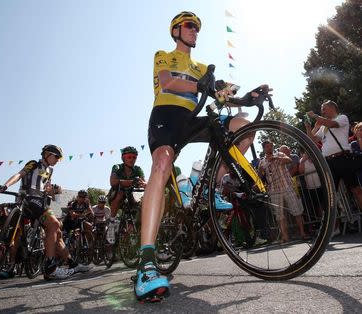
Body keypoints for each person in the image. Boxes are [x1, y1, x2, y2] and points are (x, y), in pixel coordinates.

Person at [136, 11, 264, 302]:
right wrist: (199, 85)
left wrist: (246, 97)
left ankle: (209, 188)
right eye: (189, 26)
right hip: (167, 116)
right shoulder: (164, 55)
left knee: (244, 128)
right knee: (162, 162)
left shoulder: (203, 66)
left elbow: (221, 95)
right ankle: (146, 262)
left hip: (193, 116)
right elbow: (168, 83)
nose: (195, 30)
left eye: (197, 27)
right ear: (176, 31)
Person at [0, 145, 89, 280]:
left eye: (60, 158)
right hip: (29, 200)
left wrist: (55, 191)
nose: (58, 160)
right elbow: (19, 174)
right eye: (56, 156)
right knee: (53, 225)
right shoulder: (34, 164)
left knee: (57, 232)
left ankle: (72, 264)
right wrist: (5, 185)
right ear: (47, 154)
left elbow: (48, 192)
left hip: (41, 202)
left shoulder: (50, 171)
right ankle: (50, 268)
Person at [305, 100, 362, 209]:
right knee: (330, 195)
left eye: (324, 108)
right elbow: (312, 140)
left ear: (332, 108)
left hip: (343, 158)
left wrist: (315, 116)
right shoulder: (323, 126)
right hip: (328, 162)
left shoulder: (342, 118)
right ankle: (332, 224)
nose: (322, 111)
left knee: (356, 189)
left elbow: (332, 124)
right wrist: (309, 127)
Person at [258, 141, 308, 242]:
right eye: (267, 147)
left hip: (287, 186)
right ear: (264, 149)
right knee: (279, 215)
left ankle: (303, 233)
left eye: (271, 146)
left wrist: (275, 158)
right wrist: (260, 170)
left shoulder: (279, 154)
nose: (270, 148)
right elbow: (260, 175)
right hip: (274, 190)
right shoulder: (262, 161)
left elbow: (289, 160)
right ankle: (285, 236)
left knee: (296, 211)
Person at [107, 146, 146, 243]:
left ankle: (133, 230)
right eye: (129, 157)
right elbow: (113, 182)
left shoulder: (138, 169)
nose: (132, 159)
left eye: (134, 157)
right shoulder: (117, 167)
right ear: (123, 158)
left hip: (131, 196)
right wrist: (131, 182)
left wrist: (145, 184)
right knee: (120, 193)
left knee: (142, 204)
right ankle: (112, 223)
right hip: (116, 196)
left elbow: (143, 183)